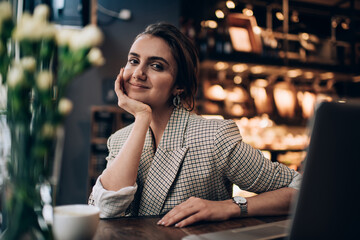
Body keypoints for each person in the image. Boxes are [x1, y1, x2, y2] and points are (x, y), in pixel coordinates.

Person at [89, 22, 301, 228]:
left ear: (178, 86)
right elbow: (105, 210)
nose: (138, 73)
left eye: (156, 66)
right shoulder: (119, 140)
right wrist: (142, 117)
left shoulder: (214, 137)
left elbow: (302, 189)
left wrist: (229, 207)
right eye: (133, 61)